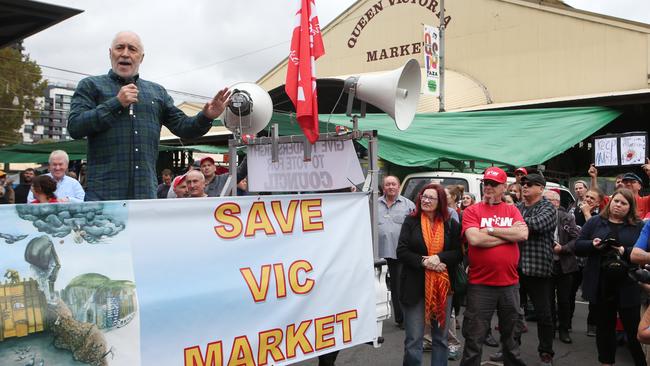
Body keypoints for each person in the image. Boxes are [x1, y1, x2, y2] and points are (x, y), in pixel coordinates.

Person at [67, 31, 231, 201]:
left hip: (144, 193)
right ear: (110, 53)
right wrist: (116, 103)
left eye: (132, 49)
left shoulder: (156, 92)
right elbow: (75, 126)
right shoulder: (91, 86)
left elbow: (184, 127)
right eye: (119, 48)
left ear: (141, 57)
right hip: (104, 195)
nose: (125, 53)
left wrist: (206, 116)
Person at [459, 167, 528, 366]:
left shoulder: (512, 209)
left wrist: (490, 229)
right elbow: (474, 239)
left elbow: (523, 235)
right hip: (481, 285)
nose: (488, 187)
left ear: (504, 187)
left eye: (493, 184)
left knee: (511, 338)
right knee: (474, 339)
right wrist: (508, 236)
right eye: (486, 183)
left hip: (509, 284)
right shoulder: (473, 210)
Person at [575, 188, 646, 366]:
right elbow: (578, 246)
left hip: (628, 283)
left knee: (633, 330)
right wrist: (593, 245)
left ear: (630, 207)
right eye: (616, 201)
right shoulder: (596, 222)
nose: (618, 206)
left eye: (624, 203)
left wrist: (626, 251)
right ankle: (606, 362)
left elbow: (644, 252)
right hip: (601, 284)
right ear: (610, 202)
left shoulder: (638, 225)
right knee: (604, 329)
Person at [397, 183, 461, 366]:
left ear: (440, 201)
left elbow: (458, 253)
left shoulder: (451, 224)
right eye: (423, 196)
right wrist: (425, 262)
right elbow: (401, 251)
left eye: (430, 198)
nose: (425, 200)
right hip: (414, 287)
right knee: (414, 339)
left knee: (440, 338)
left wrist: (438, 257)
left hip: (442, 288)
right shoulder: (411, 221)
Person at [516, 173, 557, 365]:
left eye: (530, 184)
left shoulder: (548, 208)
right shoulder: (518, 207)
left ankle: (546, 352)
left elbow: (537, 225)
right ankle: (510, 348)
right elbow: (510, 225)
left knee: (543, 313)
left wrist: (514, 224)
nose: (525, 187)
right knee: (513, 311)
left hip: (538, 268)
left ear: (541, 188)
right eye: (523, 184)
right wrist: (513, 225)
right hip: (515, 267)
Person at [378, 175, 415, 329]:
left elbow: (415, 227)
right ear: (383, 187)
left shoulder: (409, 205)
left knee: (398, 286)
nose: (391, 187)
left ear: (399, 186)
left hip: (398, 253)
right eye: (387, 184)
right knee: (373, 286)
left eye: (393, 184)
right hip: (377, 253)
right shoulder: (373, 203)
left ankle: (401, 319)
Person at [544, 190, 580, 344]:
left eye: (548, 200)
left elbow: (576, 239)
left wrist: (563, 248)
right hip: (546, 264)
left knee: (564, 300)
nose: (545, 203)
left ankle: (564, 329)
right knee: (548, 300)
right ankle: (549, 329)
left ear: (557, 202)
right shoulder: (541, 217)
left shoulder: (567, 217)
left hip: (565, 264)